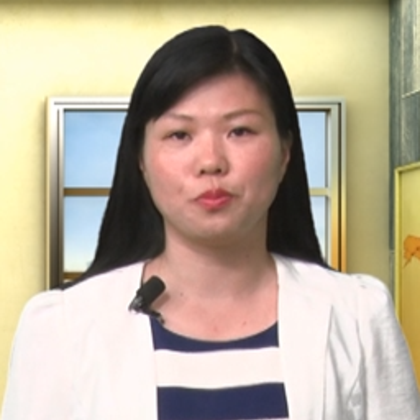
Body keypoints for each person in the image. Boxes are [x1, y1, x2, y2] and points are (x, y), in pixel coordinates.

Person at [1, 25, 419, 420]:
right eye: (179, 135)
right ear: (140, 159)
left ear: (285, 152)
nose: (211, 162)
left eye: (240, 131)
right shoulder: (60, 329)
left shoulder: (358, 316)